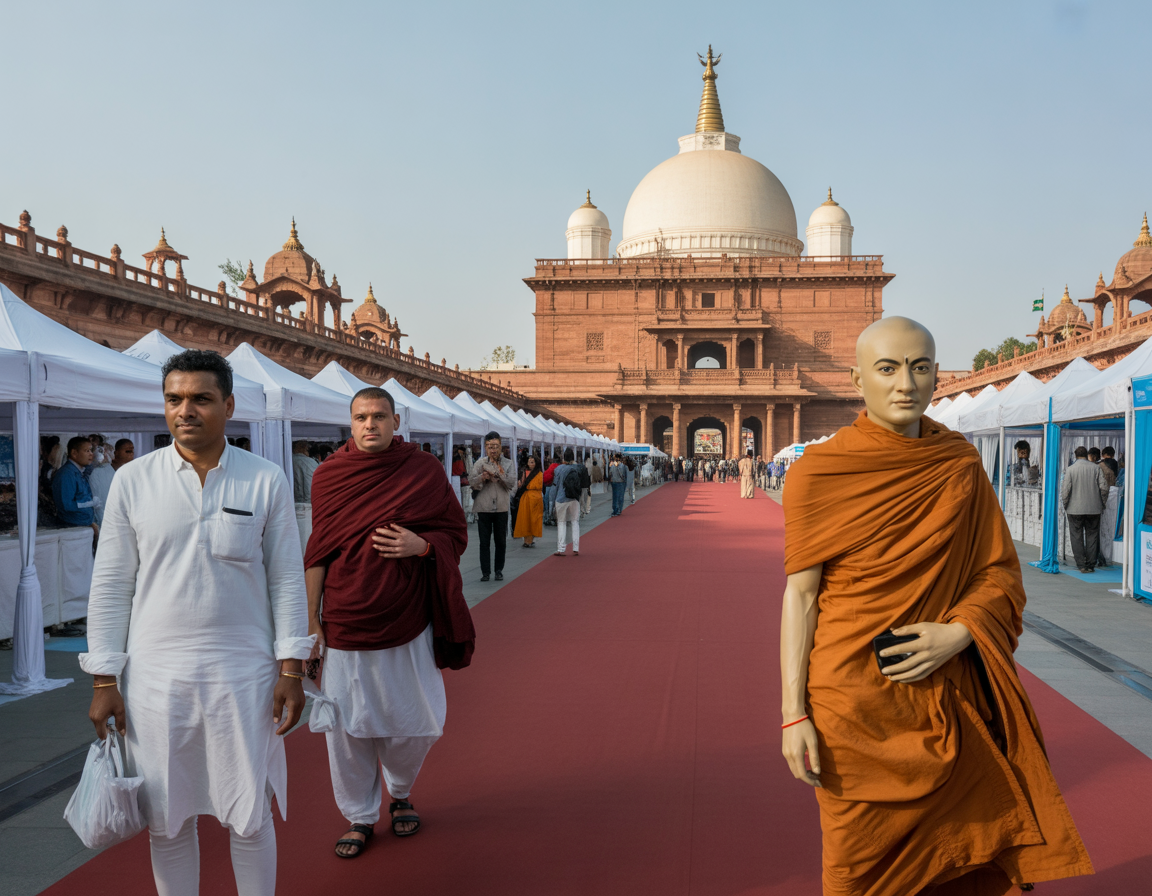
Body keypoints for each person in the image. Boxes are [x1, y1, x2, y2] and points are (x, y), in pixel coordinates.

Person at [780, 317, 1091, 895]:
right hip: (851, 701)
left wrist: (962, 631)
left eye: (920, 367)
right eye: (888, 368)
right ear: (858, 380)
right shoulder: (818, 473)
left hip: (945, 689)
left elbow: (998, 571)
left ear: (935, 375)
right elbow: (800, 597)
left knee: (962, 854)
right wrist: (792, 714)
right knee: (855, 869)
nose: (906, 383)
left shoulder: (958, 464)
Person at [81, 350, 312, 896]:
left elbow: (286, 578)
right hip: (156, 679)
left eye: (201, 399)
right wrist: (104, 678)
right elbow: (111, 584)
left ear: (228, 406)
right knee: (168, 819)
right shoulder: (133, 481)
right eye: (174, 399)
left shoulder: (265, 478)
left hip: (245, 675)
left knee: (250, 814)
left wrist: (292, 669)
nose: (185, 410)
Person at [304, 386, 473, 859]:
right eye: (361, 417)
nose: (370, 425)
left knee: (418, 721)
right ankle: (360, 814)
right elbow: (318, 551)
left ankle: (400, 790)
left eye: (379, 416)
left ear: (396, 421)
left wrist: (424, 546)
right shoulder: (329, 475)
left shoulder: (422, 470)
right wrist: (312, 620)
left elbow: (454, 532)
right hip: (345, 618)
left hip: (408, 617)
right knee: (347, 727)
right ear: (350, 422)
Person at [469, 431, 514, 582]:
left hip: (501, 507)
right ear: (485, 447)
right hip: (484, 506)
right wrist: (482, 477)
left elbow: (511, 483)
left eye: (495, 446)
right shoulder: (480, 463)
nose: (493, 450)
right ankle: (485, 572)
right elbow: (471, 481)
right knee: (484, 542)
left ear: (500, 446)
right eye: (489, 447)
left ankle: (499, 570)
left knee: (500, 541)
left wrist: (500, 474)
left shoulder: (508, 463)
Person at [1062, 445, 1110, 574]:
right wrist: (1102, 503)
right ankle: (1091, 564)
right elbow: (1104, 488)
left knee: (1076, 536)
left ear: (1075, 455)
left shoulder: (1070, 469)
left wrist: (1065, 505)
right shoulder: (1096, 468)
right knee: (1092, 535)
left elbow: (1065, 490)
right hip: (1094, 508)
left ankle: (1081, 564)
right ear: (1087, 455)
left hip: (1074, 509)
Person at [52, 436, 98, 542]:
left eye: (91, 450)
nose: (91, 454)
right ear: (74, 453)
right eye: (87, 451)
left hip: (82, 526)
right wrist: (87, 504)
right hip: (71, 528)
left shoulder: (79, 472)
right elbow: (66, 504)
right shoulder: (67, 474)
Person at [88, 438, 135, 525]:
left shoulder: (135, 474)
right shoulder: (98, 473)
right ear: (116, 453)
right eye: (127, 451)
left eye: (132, 451)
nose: (131, 453)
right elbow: (97, 504)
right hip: (105, 523)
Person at [552, 449, 582, 556]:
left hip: (561, 498)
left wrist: (552, 501)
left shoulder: (558, 469)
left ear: (563, 457)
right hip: (574, 498)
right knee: (575, 522)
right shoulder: (577, 468)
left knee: (561, 522)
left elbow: (555, 486)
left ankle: (561, 548)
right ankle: (576, 547)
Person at [513, 455, 544, 548]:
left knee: (534, 519)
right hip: (527, 497)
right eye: (529, 462)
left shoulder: (539, 473)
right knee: (525, 518)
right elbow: (521, 484)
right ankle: (527, 540)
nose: (530, 464)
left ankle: (530, 539)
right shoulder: (525, 472)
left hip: (535, 498)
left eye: (532, 462)